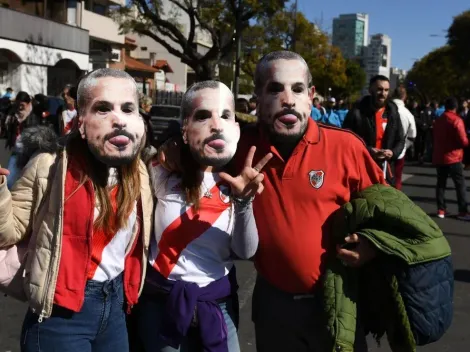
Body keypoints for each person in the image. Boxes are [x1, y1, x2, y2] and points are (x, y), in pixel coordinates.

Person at [0, 68, 153, 351]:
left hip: (116, 307)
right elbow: (8, 232)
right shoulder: (49, 166)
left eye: (128, 108)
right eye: (103, 108)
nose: (118, 119)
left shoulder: (140, 173)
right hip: (60, 315)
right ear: (81, 122)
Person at [136, 81, 271, 352]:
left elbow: (246, 252)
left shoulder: (240, 177)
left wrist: (243, 202)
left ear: (235, 127)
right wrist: (168, 145)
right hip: (162, 303)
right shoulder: (160, 171)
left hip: (218, 304)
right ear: (185, 127)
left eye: (225, 115)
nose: (216, 124)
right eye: (202, 115)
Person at [343, 75, 404, 184]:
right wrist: (369, 150)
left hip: (386, 170)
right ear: (370, 90)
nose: (383, 94)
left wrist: (393, 152)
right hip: (361, 168)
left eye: (386, 90)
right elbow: (346, 140)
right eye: (379, 89)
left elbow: (400, 139)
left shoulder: (393, 112)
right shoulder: (356, 112)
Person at [433, 97, 470, 220]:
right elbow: (463, 141)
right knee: (460, 184)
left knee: (441, 183)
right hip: (454, 157)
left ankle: (441, 209)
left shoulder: (438, 120)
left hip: (440, 156)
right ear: (455, 107)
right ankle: (463, 211)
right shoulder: (457, 120)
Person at [4, 91, 41, 189]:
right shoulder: (12, 115)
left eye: (22, 105)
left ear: (29, 104)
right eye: (18, 104)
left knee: (27, 182)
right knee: (9, 181)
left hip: (28, 154)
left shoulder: (33, 117)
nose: (19, 107)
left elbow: (36, 137)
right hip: (16, 152)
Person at [392, 85, 417, 190]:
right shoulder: (408, 114)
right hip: (400, 151)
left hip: (381, 149)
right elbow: (412, 135)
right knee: (397, 178)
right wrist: (404, 146)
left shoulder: (383, 110)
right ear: (404, 97)